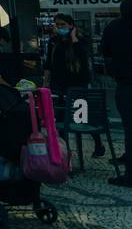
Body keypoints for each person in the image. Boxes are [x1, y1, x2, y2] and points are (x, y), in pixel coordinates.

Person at [43, 12, 105, 157]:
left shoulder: (80, 41)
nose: (60, 27)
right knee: (61, 117)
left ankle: (98, 144)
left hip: (78, 84)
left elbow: (84, 58)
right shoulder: (54, 41)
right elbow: (48, 63)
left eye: (63, 25)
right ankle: (65, 149)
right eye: (57, 25)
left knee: (82, 117)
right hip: (58, 84)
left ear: (71, 25)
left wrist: (74, 38)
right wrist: (46, 82)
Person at [100, 0, 132, 185]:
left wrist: (114, 71)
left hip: (126, 86)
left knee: (129, 128)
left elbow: (105, 53)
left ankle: (130, 173)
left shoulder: (114, 27)